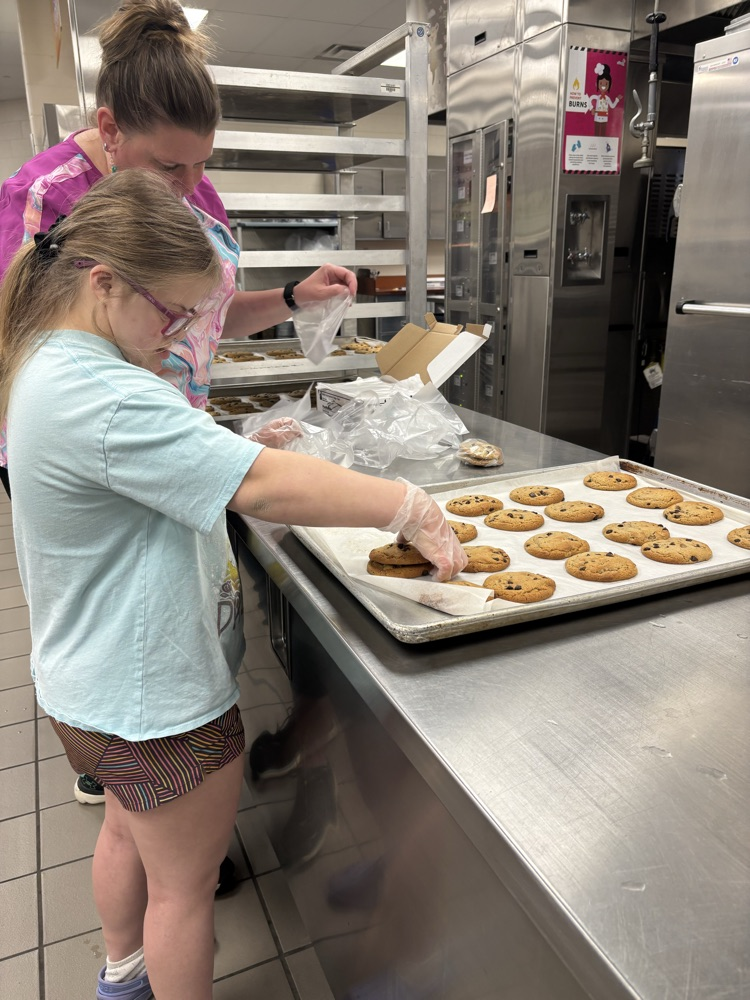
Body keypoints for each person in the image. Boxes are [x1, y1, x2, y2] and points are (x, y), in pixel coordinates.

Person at [0, 168, 466, 1000]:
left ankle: (122, 975)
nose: (181, 337)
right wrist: (407, 505)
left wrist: (227, 433)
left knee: (124, 832)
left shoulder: (51, 356)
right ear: (104, 282)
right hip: (154, 700)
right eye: (173, 313)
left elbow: (142, 455)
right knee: (182, 892)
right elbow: (257, 487)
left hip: (87, 688)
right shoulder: (99, 389)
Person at [0, 0, 357, 814]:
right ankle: (148, 801)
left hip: (184, 447)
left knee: (201, 627)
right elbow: (19, 347)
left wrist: (293, 298)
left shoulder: (199, 194)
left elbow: (204, 312)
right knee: (137, 660)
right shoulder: (44, 200)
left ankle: (187, 790)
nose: (189, 187)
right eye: (169, 168)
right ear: (109, 130)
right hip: (99, 461)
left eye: (201, 166)